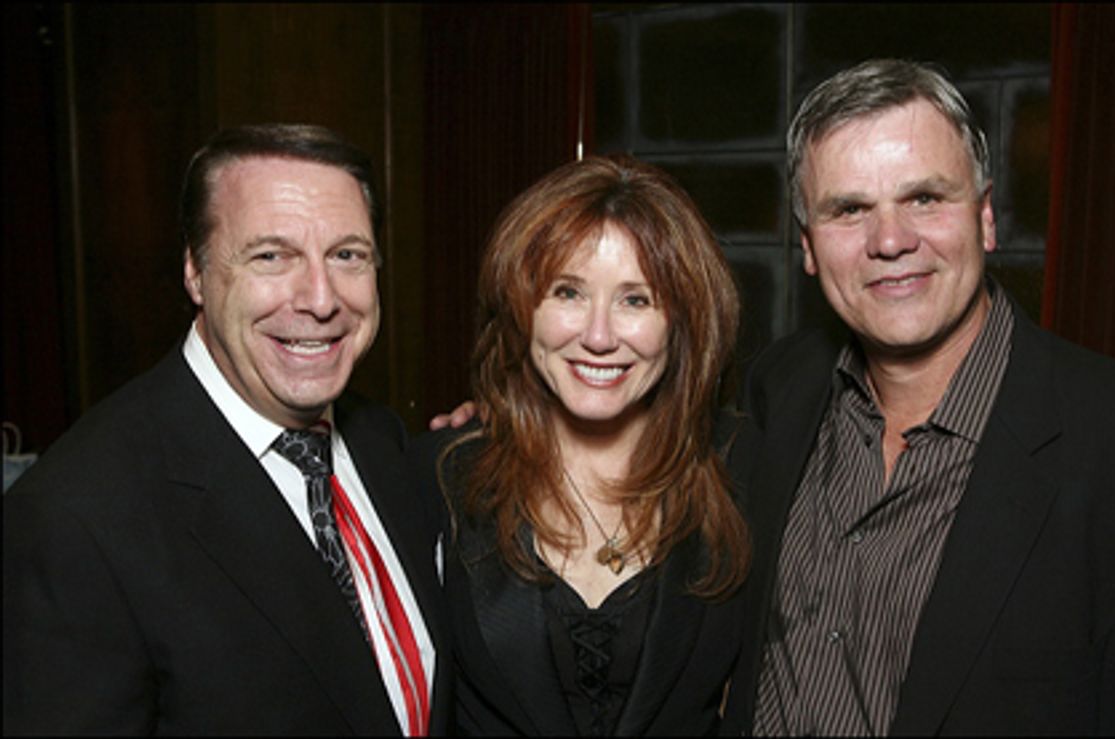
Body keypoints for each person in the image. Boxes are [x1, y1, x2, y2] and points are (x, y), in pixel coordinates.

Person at [720, 59, 1115, 736]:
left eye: (924, 198)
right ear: (807, 246)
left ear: (986, 217)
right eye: (850, 209)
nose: (890, 240)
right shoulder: (778, 389)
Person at [3, 124, 451, 735]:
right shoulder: (75, 519)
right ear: (195, 271)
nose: (321, 299)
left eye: (348, 255)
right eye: (271, 256)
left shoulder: (381, 442)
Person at [407, 154, 751, 735]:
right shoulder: (435, 479)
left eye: (635, 300)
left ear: (685, 323)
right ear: (520, 308)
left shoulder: (746, 470)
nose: (597, 336)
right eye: (567, 292)